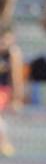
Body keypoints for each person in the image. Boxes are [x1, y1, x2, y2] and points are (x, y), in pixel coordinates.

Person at [0, 26, 24, 156]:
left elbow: (17, 79)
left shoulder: (13, 54)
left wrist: (17, 99)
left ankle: (4, 141)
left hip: (4, 91)